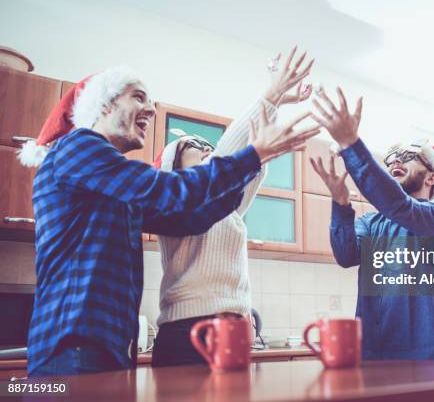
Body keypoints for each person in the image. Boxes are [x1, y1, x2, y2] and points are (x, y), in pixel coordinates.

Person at [21, 65, 319, 377]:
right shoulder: (78, 146)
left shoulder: (115, 189)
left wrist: (252, 165)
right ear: (105, 104)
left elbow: (190, 219)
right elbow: (171, 190)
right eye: (138, 97)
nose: (150, 108)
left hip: (104, 348)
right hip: (72, 350)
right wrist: (251, 154)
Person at [151, 47, 314, 366]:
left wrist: (277, 102)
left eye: (209, 149)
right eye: (196, 147)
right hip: (189, 331)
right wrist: (273, 91)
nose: (207, 152)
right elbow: (231, 155)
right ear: (174, 168)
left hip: (233, 329)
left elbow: (251, 163)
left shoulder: (226, 210)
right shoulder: (173, 202)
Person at [309, 86, 434, 360]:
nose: (395, 162)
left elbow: (397, 204)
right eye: (390, 159)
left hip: (425, 358)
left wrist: (349, 143)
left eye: (408, 157)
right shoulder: (371, 221)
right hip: (371, 355)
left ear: (432, 178)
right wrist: (341, 205)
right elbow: (346, 255)